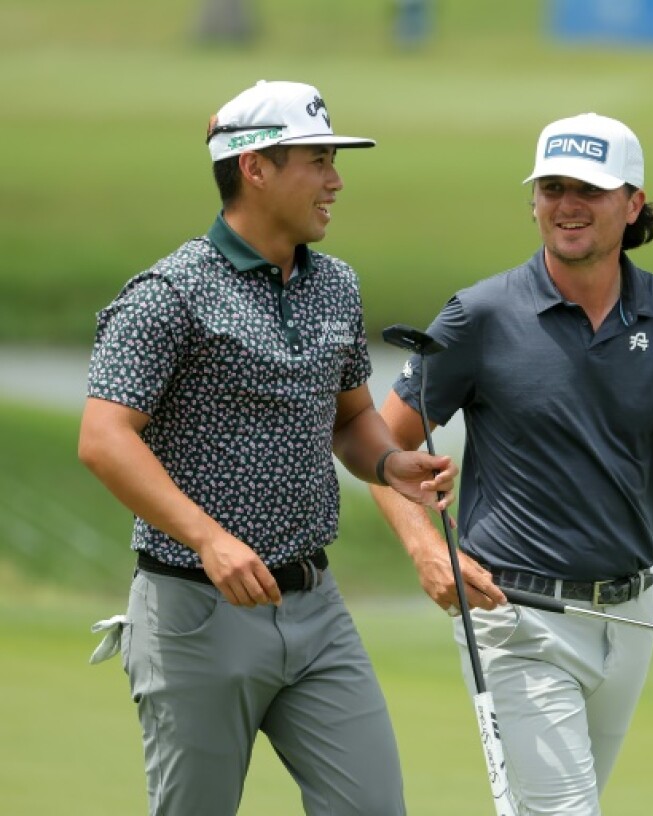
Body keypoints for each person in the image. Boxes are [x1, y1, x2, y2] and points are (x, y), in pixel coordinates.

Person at [371, 112, 653, 815]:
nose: (567, 205)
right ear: (532, 201)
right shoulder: (482, 315)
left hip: (632, 617)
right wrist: (425, 549)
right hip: (517, 615)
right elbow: (381, 446)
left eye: (589, 188)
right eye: (552, 187)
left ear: (632, 204)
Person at [79, 79, 457, 816]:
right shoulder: (170, 293)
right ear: (255, 167)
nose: (336, 181)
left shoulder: (335, 286)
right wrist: (210, 540)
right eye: (317, 160)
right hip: (195, 610)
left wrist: (389, 462)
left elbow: (349, 418)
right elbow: (104, 439)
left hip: (316, 609)